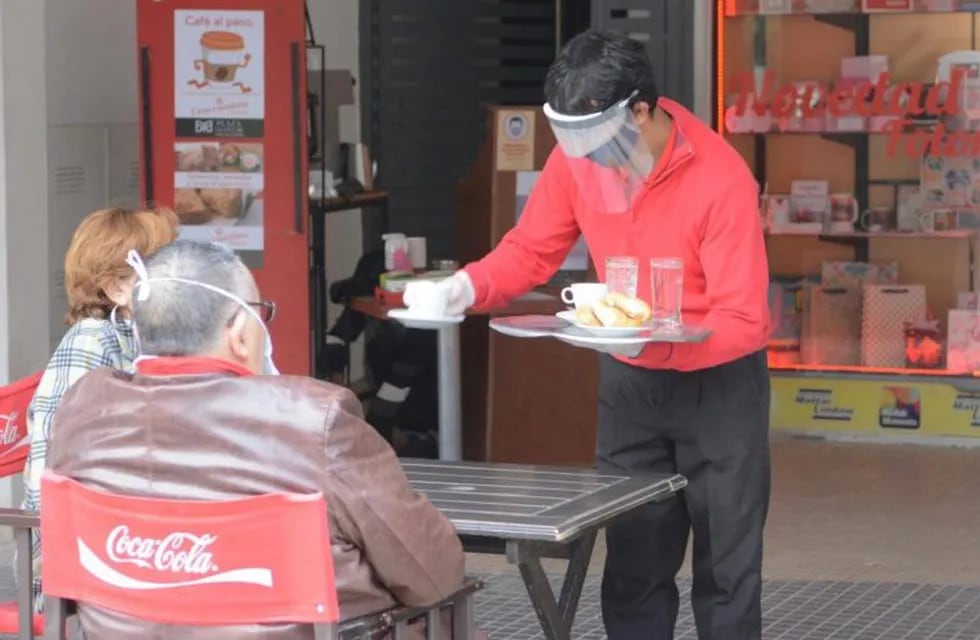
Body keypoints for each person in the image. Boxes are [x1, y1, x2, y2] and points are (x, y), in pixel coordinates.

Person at [417, 29, 771, 639]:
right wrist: (466, 288)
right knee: (634, 560)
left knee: (727, 565)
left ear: (641, 109)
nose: (586, 160)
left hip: (719, 389)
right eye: (571, 143)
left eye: (596, 143)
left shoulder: (720, 178)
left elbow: (745, 320)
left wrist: (657, 342)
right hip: (631, 387)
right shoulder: (577, 162)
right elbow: (531, 251)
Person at [46, 239, 464, 638]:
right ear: (240, 334)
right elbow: (432, 573)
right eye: (262, 314)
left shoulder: (84, 408)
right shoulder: (315, 420)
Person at [20, 206, 178, 607]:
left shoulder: (148, 338)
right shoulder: (92, 341)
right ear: (115, 289)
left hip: (137, 538)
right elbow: (49, 476)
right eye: (162, 269)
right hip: (80, 560)